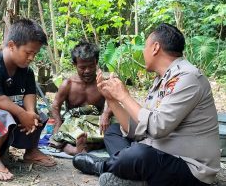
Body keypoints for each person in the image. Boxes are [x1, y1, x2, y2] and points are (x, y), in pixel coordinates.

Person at [72, 23, 221, 186]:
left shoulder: (188, 78)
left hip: (189, 169)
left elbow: (156, 127)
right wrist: (112, 100)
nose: (143, 51)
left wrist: (123, 95)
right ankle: (130, 171)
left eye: (145, 46)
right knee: (113, 131)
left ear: (155, 48)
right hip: (159, 151)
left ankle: (104, 166)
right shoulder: (162, 78)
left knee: (139, 153)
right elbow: (139, 128)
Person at [0, 19, 56, 181]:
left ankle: (31, 150)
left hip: (5, 112)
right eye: (28, 53)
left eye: (35, 53)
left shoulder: (26, 72)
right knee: (1, 115)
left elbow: (29, 94)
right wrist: (22, 113)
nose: (32, 57)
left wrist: (30, 113)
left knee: (38, 115)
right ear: (11, 45)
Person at [50, 42, 113, 155]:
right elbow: (55, 106)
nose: (87, 71)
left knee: (115, 130)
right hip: (72, 124)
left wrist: (106, 115)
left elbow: (112, 102)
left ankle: (85, 146)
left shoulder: (103, 83)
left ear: (96, 62)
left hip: (95, 124)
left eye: (91, 66)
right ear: (75, 64)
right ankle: (76, 150)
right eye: (82, 67)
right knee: (59, 138)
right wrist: (58, 122)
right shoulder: (68, 84)